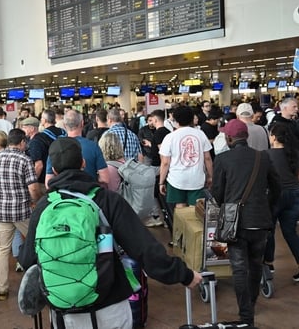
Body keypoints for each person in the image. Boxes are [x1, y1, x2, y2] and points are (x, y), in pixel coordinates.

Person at [19, 137, 202, 328]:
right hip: (108, 305)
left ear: (53, 170)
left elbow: (27, 259)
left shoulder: (44, 207)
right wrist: (184, 275)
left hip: (64, 313)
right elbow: (144, 248)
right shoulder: (107, 199)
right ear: (83, 163)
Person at [212, 119, 280, 327]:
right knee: (256, 264)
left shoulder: (222, 159)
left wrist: (228, 204)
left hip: (236, 223)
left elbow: (217, 193)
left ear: (228, 138)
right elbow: (278, 188)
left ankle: (246, 316)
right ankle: (250, 304)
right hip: (260, 221)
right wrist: (264, 205)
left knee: (240, 268)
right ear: (247, 137)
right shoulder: (263, 157)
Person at [0, 129, 43, 301]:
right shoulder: (25, 160)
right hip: (22, 211)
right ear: (21, 142)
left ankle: (2, 289)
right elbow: (33, 188)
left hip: (2, 211)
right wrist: (37, 201)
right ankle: (43, 281)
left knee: (2, 249)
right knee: (38, 243)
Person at [263, 123, 299, 282]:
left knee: (269, 231)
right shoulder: (296, 154)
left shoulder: (265, 155)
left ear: (273, 137)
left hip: (274, 195)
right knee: (290, 232)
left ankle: (269, 264)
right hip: (295, 195)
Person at [158, 106, 213, 208]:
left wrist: (161, 182)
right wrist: (210, 176)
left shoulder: (170, 137)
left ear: (175, 119)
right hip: (197, 178)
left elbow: (165, 163)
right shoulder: (200, 134)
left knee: (180, 208)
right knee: (196, 210)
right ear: (192, 119)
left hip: (176, 179)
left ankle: (180, 224)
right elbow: (207, 158)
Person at [44, 109, 108, 186]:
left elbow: (48, 182)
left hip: (63, 195)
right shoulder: (93, 146)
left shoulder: (55, 148)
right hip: (90, 193)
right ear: (82, 123)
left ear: (64, 125)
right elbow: (105, 179)